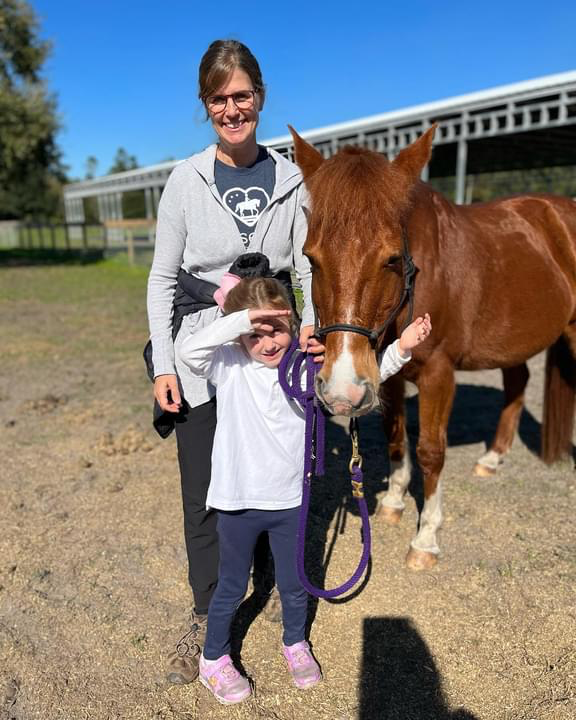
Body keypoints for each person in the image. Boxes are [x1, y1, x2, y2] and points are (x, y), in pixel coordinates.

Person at [145, 39, 319, 684]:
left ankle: (273, 578)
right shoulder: (185, 180)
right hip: (202, 355)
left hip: (269, 353)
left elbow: (303, 265)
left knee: (275, 464)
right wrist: (165, 363)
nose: (231, 108)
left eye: (241, 95)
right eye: (218, 98)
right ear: (205, 104)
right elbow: (163, 277)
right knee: (204, 490)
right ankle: (208, 614)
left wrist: (313, 330)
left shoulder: (292, 178)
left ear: (260, 96)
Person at [177, 276, 432, 704]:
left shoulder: (306, 366)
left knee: (294, 583)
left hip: (289, 501)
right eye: (254, 334)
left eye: (276, 328)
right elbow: (188, 351)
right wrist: (243, 318)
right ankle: (213, 659)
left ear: (294, 324)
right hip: (237, 502)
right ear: (239, 331)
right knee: (231, 585)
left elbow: (360, 375)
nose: (267, 341)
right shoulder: (228, 364)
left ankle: (295, 643)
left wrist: (401, 347)